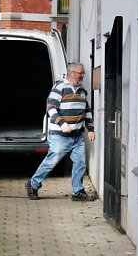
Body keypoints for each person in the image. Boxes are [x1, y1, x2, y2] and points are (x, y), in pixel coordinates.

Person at [26, 62, 96, 201]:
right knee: (51, 162)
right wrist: (61, 123)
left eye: (83, 73)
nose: (82, 76)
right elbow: (51, 108)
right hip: (60, 136)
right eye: (80, 73)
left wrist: (91, 129)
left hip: (77, 136)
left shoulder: (82, 91)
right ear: (71, 73)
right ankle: (33, 184)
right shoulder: (59, 88)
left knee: (80, 163)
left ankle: (77, 192)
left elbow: (86, 111)